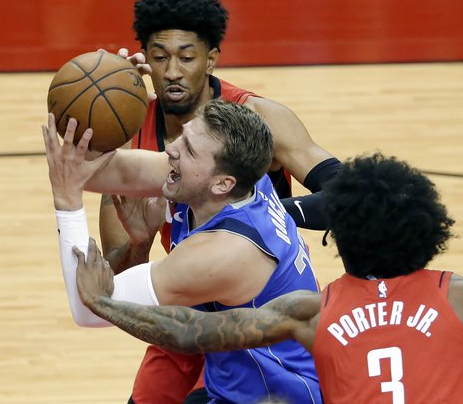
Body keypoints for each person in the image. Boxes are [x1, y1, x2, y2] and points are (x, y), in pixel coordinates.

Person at [74, 153, 463, 404]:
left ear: (341, 237)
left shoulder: (313, 310)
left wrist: (103, 301)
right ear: (428, 231)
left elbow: (189, 331)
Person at [98, 0, 341, 403]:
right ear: (144, 62)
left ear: (210, 59)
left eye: (187, 57)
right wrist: (101, 101)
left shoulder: (258, 119)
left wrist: (260, 220)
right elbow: (120, 288)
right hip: (185, 302)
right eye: (159, 57)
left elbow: (346, 195)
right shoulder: (132, 139)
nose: (172, 71)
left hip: (249, 309)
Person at [43, 100, 323, 403]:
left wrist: (67, 200)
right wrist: (108, 107)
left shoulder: (222, 253)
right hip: (233, 376)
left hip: (277, 396)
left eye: (188, 149)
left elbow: (89, 309)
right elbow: (105, 172)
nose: (172, 149)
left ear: (222, 184)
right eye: (183, 136)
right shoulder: (236, 180)